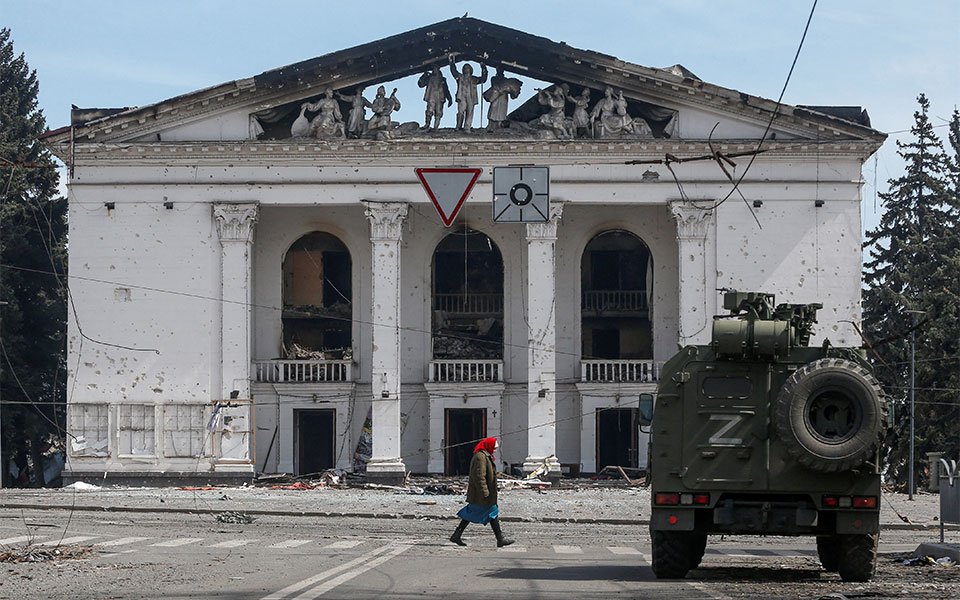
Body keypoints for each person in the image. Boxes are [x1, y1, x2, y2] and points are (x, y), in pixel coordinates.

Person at [450, 437, 515, 547]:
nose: (495, 450)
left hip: (481, 493)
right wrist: (484, 492)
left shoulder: (485, 456)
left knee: (478, 513)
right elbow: (479, 476)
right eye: (494, 448)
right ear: (489, 446)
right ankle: (500, 539)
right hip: (480, 493)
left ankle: (457, 535)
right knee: (491, 512)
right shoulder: (480, 457)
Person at [448, 56, 488, 130]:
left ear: (471, 70)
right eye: (465, 68)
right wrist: (451, 63)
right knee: (461, 111)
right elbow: (454, 71)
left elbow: (483, 79)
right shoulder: (460, 77)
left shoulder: (474, 79)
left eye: (468, 68)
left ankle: (467, 126)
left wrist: (483, 67)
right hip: (462, 96)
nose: (466, 69)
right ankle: (458, 126)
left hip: (471, 97)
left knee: (470, 111)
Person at [417, 65, 452, 129]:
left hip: (440, 97)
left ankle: (436, 126)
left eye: (435, 68)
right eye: (433, 68)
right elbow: (421, 84)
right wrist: (424, 75)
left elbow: (446, 90)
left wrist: (449, 98)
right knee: (429, 111)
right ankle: (427, 124)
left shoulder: (442, 79)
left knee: (439, 112)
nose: (434, 70)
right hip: (431, 96)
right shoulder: (429, 78)